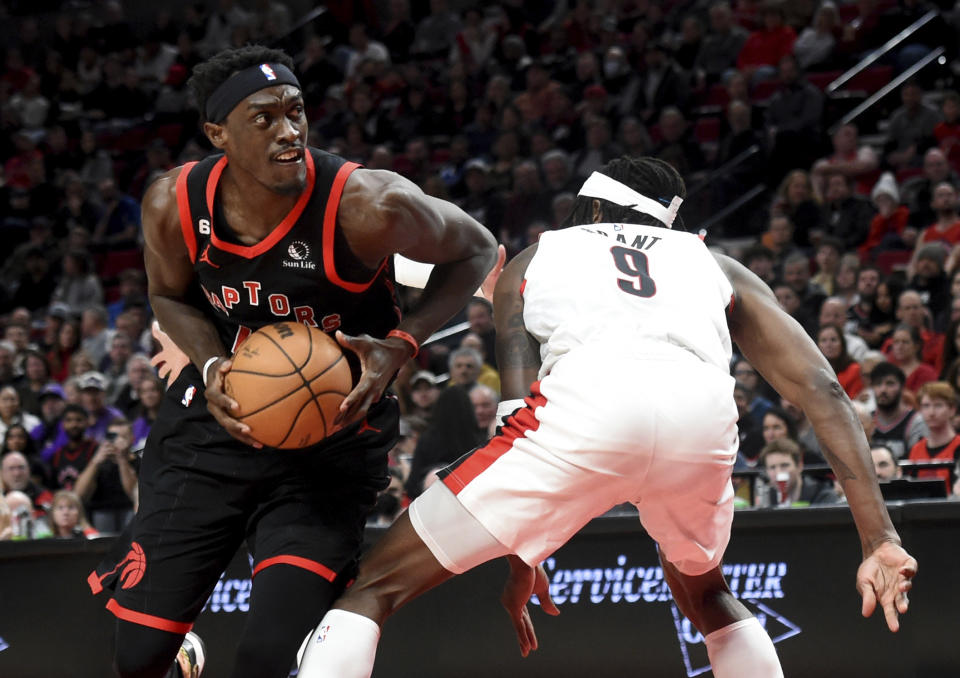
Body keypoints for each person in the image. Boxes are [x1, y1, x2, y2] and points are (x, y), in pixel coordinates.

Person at [297, 157, 916, 678]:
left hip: (583, 419)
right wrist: (879, 538)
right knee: (707, 595)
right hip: (699, 428)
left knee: (374, 587)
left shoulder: (536, 257)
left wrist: (522, 554)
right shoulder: (716, 264)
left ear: (590, 210)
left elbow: (516, 419)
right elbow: (824, 391)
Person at [86, 45, 497, 678]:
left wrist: (403, 342)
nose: (289, 131)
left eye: (296, 112)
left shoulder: (368, 205)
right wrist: (213, 364)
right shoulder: (175, 203)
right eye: (265, 118)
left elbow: (477, 250)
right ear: (217, 132)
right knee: (138, 659)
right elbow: (168, 296)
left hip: (332, 443)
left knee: (269, 658)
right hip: (212, 432)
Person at [907, 381, 960, 495]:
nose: (931, 412)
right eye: (926, 406)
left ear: (952, 410)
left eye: (938, 405)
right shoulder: (915, 449)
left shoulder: (958, 446)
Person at [871, 362, 929, 461]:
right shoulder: (867, 420)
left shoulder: (916, 421)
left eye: (890, 384)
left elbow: (916, 462)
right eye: (878, 384)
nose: (883, 389)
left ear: (902, 387)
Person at [759, 437, 838, 506]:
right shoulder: (767, 498)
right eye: (772, 468)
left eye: (784, 465)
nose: (778, 473)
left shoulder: (822, 495)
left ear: (799, 466)